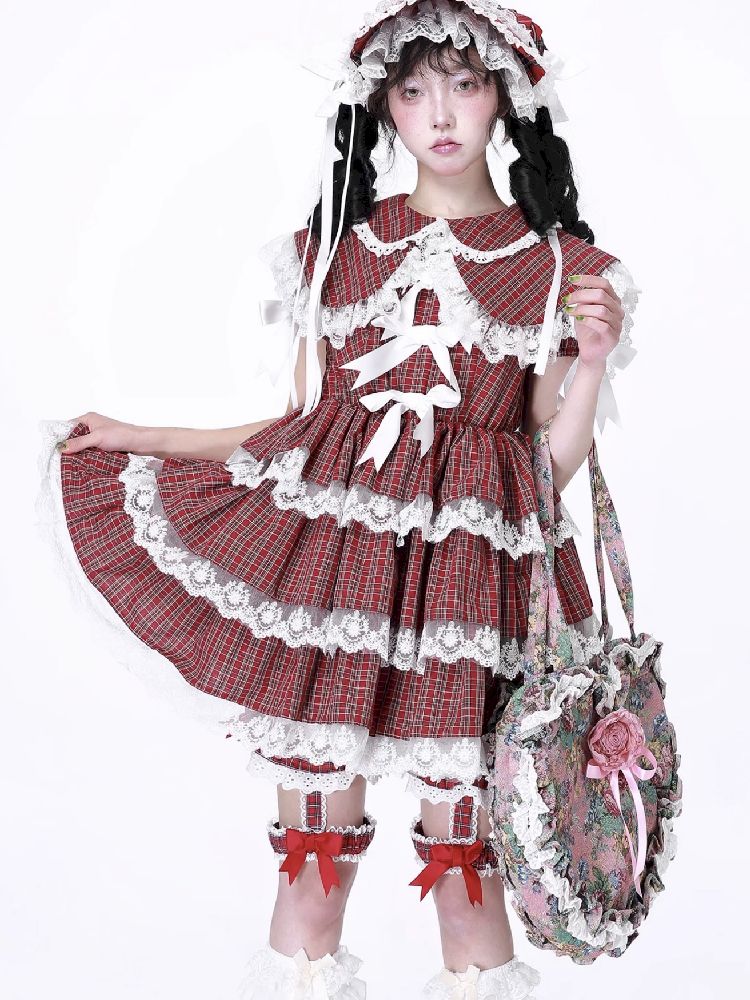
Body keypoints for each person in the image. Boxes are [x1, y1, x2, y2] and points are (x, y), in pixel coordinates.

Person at [36, 2, 640, 997]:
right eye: (413, 89)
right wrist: (144, 436)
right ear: (382, 107)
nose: (439, 113)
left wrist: (594, 361)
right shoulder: (336, 250)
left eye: (464, 85)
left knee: (466, 887)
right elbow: (300, 429)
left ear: (504, 97)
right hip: (338, 596)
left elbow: (546, 468)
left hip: (472, 605)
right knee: (312, 876)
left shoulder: (555, 267)